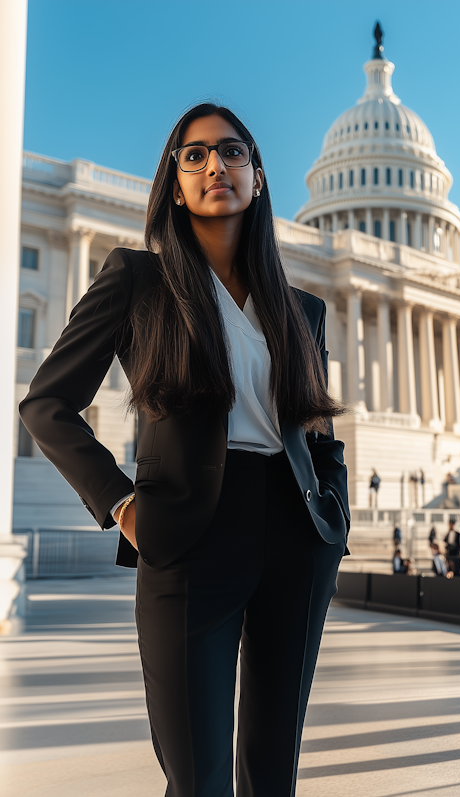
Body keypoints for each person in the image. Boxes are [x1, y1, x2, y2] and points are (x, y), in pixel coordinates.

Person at [18, 103, 350, 797]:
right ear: (174, 184)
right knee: (197, 775)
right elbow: (46, 405)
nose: (214, 166)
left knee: (272, 769)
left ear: (257, 177)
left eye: (232, 152)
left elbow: (314, 430)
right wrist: (123, 504)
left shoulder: (304, 310)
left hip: (295, 530)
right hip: (191, 528)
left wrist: (333, 515)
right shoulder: (138, 279)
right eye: (193, 155)